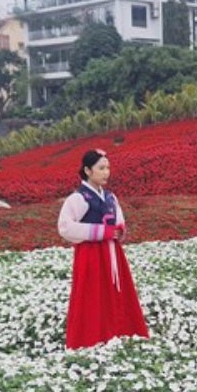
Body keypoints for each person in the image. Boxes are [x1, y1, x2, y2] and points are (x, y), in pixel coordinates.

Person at [57, 149, 149, 349]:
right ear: (88, 170)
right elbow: (65, 227)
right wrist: (101, 232)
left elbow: (119, 221)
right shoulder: (78, 198)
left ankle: (120, 333)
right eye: (101, 168)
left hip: (113, 253)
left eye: (108, 168)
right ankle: (90, 340)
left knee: (116, 293)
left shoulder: (110, 197)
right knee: (92, 296)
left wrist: (119, 230)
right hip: (91, 255)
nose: (106, 172)